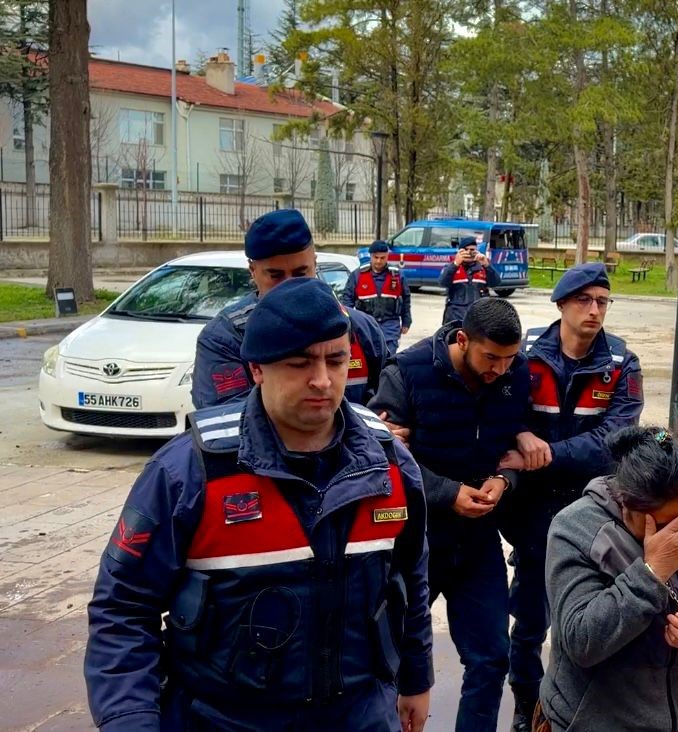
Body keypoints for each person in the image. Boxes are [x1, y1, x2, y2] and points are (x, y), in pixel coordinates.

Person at [85, 277, 434, 732]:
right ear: (257, 370)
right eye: (299, 363)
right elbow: (124, 608)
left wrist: (417, 677)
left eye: (336, 360)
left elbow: (410, 579)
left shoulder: (390, 468)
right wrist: (129, 719)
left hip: (361, 714)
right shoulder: (189, 474)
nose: (323, 380)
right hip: (222, 719)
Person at [537, 425, 678, 732]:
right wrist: (651, 572)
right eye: (660, 524)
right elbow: (581, 641)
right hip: (595, 721)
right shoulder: (576, 528)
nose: (676, 534)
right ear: (625, 502)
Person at [369, 297, 529, 732]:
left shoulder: (517, 372)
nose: (500, 369)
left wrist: (504, 481)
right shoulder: (407, 372)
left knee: (492, 658)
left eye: (509, 359)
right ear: (462, 339)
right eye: (490, 358)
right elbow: (383, 461)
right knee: (389, 661)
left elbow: (514, 449)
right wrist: (445, 492)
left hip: (478, 543)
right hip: (416, 542)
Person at [497, 262, 643, 732]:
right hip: (532, 511)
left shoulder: (622, 363)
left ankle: (576, 707)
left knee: (585, 619)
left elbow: (614, 441)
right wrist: (520, 432)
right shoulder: (527, 354)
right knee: (530, 616)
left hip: (593, 510)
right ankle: (525, 703)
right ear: (561, 304)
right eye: (584, 300)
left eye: (602, 301)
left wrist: (544, 453)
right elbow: (503, 408)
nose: (595, 310)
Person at [192, 208, 387, 409]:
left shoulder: (361, 329)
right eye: (276, 275)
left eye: (300, 273)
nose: (289, 286)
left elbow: (389, 403)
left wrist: (383, 427)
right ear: (253, 272)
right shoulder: (225, 338)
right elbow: (226, 423)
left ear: (314, 263)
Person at [343, 239, 412, 356]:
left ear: (387, 257)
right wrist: (348, 323)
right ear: (370, 256)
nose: (379, 261)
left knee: (388, 360)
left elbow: (406, 299)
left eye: (382, 258)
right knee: (370, 359)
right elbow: (347, 300)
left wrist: (406, 321)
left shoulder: (397, 275)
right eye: (376, 257)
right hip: (366, 325)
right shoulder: (357, 275)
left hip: (390, 326)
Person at [440, 236, 502, 325]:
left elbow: (496, 283)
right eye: (466, 250)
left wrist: (487, 265)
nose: (469, 253)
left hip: (479, 317)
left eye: (472, 250)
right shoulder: (451, 267)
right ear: (459, 252)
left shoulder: (483, 267)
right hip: (455, 317)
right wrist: (456, 263)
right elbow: (442, 282)